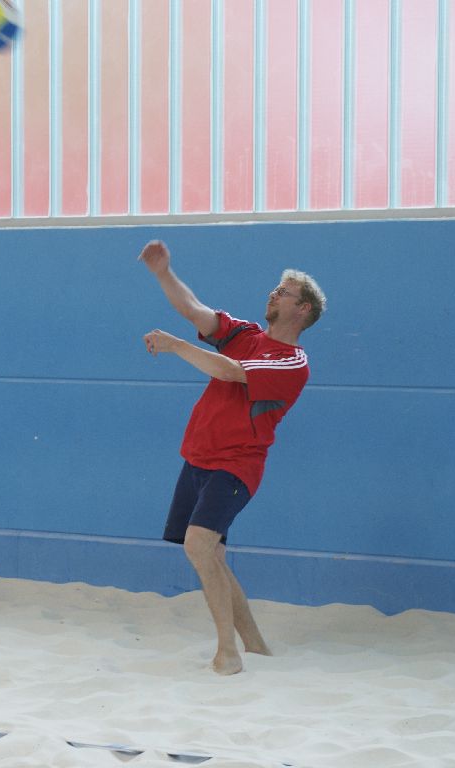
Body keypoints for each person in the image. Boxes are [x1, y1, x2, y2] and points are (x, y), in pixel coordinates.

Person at [138, 239, 326, 675]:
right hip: (198, 458)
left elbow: (229, 371)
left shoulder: (293, 362)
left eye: (284, 293)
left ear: (303, 310)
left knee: (198, 545)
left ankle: (228, 652)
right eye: (276, 289)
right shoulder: (244, 334)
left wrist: (176, 346)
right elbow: (194, 310)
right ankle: (255, 643)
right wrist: (163, 273)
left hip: (236, 465)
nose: (273, 294)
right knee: (212, 555)